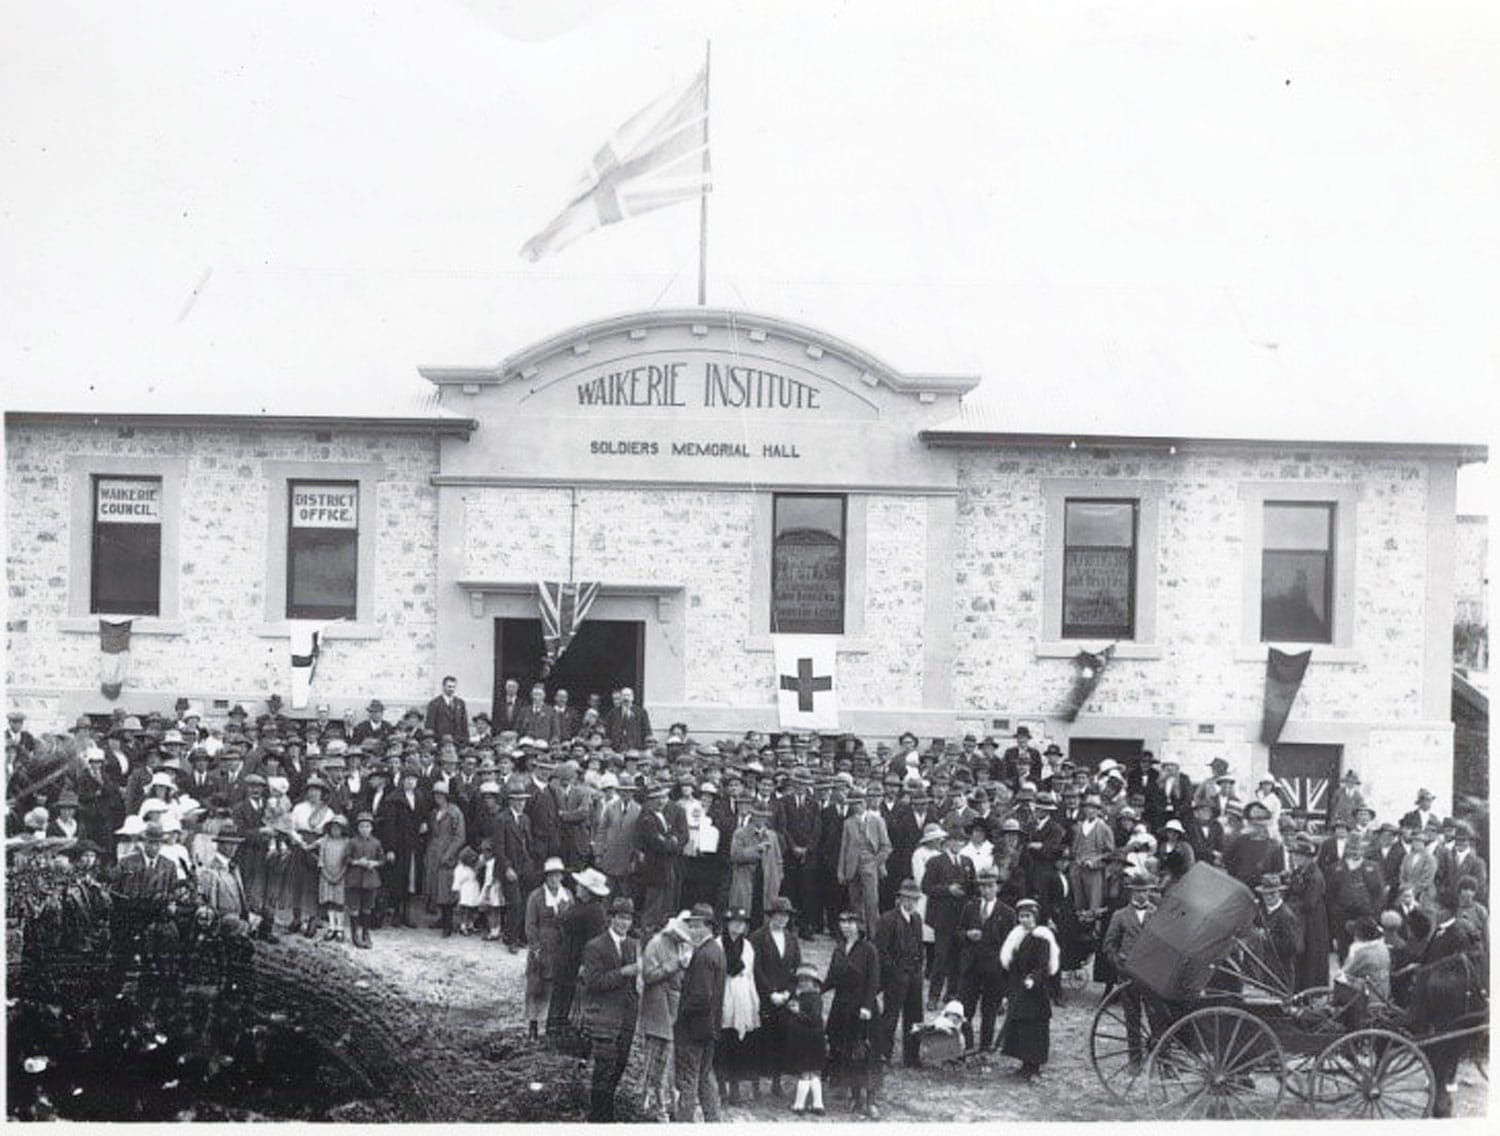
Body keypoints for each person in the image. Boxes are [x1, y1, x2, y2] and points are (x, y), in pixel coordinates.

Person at [615, 912, 693, 1123]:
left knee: (665, 1058)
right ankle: (648, 1103)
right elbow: (649, 976)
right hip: (656, 1005)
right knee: (653, 1057)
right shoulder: (656, 944)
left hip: (672, 1005)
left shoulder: (680, 945)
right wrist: (676, 964)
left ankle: (661, 1103)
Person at [580, 896, 640, 1122]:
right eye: (620, 918)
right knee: (604, 1067)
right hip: (604, 1016)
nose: (624, 923)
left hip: (627, 1015)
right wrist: (623, 972)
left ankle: (607, 1110)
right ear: (611, 919)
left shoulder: (633, 945)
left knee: (620, 1064)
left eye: (628, 919)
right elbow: (593, 982)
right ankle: (598, 1116)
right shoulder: (595, 946)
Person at [824, 909, 881, 1118]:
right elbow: (831, 978)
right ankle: (856, 1098)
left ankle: (871, 1100)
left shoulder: (869, 949)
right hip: (842, 1008)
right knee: (848, 1051)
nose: (845, 925)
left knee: (866, 1054)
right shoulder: (839, 949)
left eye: (850, 921)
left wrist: (866, 1006)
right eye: (842, 921)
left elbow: (874, 980)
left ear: (859, 925)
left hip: (863, 1009)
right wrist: (814, 990)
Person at [674, 904, 726, 1122]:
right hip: (709, 1027)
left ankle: (684, 1124)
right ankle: (713, 1120)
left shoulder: (704, 956)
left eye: (696, 927)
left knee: (688, 1080)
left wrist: (679, 1014)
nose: (691, 931)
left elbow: (700, 997)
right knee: (705, 1077)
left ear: (708, 928)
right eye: (691, 926)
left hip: (693, 1028)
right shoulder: (716, 951)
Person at [999, 897, 1060, 1081]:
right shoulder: (1016, 937)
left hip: (1035, 991)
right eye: (1021, 916)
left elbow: (1043, 965)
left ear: (1035, 917)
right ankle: (1025, 1064)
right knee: (1021, 1026)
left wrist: (1033, 978)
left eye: (1028, 916)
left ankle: (1034, 1066)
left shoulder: (1042, 938)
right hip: (1019, 987)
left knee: (1035, 1027)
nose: (1024, 920)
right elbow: (1011, 963)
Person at [1102, 869, 1157, 1070]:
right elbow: (1109, 944)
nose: (1141, 895)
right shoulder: (1120, 915)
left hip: (1152, 974)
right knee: (1132, 1017)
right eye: (1137, 891)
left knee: (1156, 1015)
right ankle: (1135, 1059)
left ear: (1150, 892)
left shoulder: (1157, 914)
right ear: (1131, 892)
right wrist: (1119, 963)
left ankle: (1163, 1058)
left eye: (1145, 891)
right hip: (1128, 973)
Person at [957, 865, 1014, 1054]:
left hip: (994, 970)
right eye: (982, 886)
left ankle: (984, 1049)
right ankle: (968, 1046)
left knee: (989, 1011)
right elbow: (956, 934)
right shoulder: (969, 908)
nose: (986, 890)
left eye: (990, 886)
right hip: (970, 968)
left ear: (998, 887)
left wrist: (1005, 975)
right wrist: (967, 934)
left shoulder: (1007, 913)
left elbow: (1010, 945)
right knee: (966, 1009)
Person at [551, 866, 610, 1046]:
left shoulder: (591, 911)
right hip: (569, 956)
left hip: (573, 959)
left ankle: (558, 1033)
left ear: (587, 891)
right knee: (563, 995)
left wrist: (585, 965)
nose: (577, 887)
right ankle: (558, 1031)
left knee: (564, 996)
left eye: (580, 885)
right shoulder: (589, 908)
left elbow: (592, 940)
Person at [749, 895, 801, 1097]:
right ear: (771, 916)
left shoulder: (791, 938)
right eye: (779, 915)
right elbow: (756, 968)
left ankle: (777, 1082)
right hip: (764, 997)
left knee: (781, 1038)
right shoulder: (758, 937)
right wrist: (770, 993)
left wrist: (788, 992)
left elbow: (796, 968)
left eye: (786, 915)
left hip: (784, 998)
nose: (782, 919)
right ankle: (756, 1084)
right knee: (760, 1039)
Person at [874, 877, 926, 1068]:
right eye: (907, 898)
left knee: (914, 1017)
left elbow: (920, 947)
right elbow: (880, 950)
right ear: (900, 899)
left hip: (914, 975)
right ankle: (883, 1055)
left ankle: (912, 1057)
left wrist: (919, 967)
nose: (911, 902)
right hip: (896, 976)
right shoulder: (888, 919)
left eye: (914, 899)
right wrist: (894, 971)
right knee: (891, 1016)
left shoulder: (917, 919)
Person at [922, 827, 974, 1011]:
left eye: (962, 841)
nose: (959, 844)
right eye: (955, 840)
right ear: (948, 842)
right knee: (941, 958)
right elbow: (926, 887)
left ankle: (951, 993)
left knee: (958, 958)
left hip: (961, 918)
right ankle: (933, 996)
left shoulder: (967, 861)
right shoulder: (936, 861)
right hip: (942, 917)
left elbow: (972, 888)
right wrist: (947, 890)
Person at [524, 856, 574, 1040]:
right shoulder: (536, 896)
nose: (554, 879)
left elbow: (573, 921)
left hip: (560, 946)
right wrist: (535, 946)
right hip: (543, 945)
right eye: (551, 876)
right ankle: (533, 1024)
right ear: (546, 877)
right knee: (537, 986)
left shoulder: (567, 895)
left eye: (558, 875)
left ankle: (551, 1026)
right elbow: (530, 924)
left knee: (556, 985)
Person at [716, 906, 761, 1103]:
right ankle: (720, 1085)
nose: (738, 926)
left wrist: (753, 999)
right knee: (723, 1038)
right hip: (724, 991)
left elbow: (750, 975)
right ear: (727, 924)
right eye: (734, 922)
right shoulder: (718, 944)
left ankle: (734, 1086)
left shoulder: (748, 947)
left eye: (742, 923)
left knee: (738, 1039)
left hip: (742, 991)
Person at [838, 787, 891, 935]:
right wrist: (841, 871)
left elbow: (886, 847)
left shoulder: (878, 821)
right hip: (852, 865)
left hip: (870, 865)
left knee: (871, 902)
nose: (856, 807)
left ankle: (873, 935)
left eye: (859, 803)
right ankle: (859, 933)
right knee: (855, 902)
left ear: (865, 803)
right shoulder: (848, 823)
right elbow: (844, 847)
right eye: (853, 804)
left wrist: (875, 863)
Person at [1284, 833, 1330, 990]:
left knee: (1311, 954)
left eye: (1299, 856)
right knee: (1300, 956)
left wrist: (1288, 907)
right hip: (1301, 919)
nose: (1295, 858)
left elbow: (1309, 903)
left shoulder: (1315, 876)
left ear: (1308, 857)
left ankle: (1310, 990)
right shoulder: (1299, 872)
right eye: (1294, 855)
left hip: (1312, 921)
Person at [424, 781, 467, 937]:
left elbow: (460, 836)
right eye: (436, 795)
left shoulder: (455, 812)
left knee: (447, 888)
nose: (438, 798)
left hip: (448, 853)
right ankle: (442, 918)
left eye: (441, 795)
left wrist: (449, 854)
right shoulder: (434, 813)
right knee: (436, 887)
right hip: (434, 853)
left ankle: (448, 923)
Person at [787, 962, 828, 1115]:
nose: (803, 983)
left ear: (814, 983)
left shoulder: (814, 999)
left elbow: (814, 1019)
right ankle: (818, 1104)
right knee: (813, 1072)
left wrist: (798, 1012)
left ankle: (799, 1105)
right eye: (801, 980)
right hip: (812, 1041)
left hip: (809, 1042)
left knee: (806, 1073)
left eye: (807, 980)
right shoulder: (804, 997)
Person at [1255, 873, 1302, 993]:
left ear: (1280, 894)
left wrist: (1266, 938)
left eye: (1272, 894)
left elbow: (1293, 946)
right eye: (1265, 894)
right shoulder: (1264, 911)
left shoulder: (1286, 916)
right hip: (1268, 968)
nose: (1268, 897)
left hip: (1282, 971)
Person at [345, 811, 383, 948]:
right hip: (355, 878)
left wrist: (375, 864)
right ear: (357, 828)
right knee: (354, 907)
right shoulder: (352, 842)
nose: (365, 829)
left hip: (370, 879)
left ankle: (366, 933)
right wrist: (357, 862)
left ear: (371, 828)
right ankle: (355, 934)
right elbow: (346, 859)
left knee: (367, 908)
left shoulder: (376, 843)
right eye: (362, 826)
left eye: (367, 826)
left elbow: (382, 860)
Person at [1338, 915, 1391, 1001]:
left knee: (1341, 980)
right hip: (1384, 990)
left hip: (1369, 996)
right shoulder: (1383, 947)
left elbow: (1346, 972)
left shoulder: (1363, 953)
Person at [317, 813, 351, 943]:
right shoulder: (325, 840)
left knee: (339, 902)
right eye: (333, 827)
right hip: (326, 875)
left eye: (338, 828)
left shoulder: (346, 842)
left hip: (340, 876)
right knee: (330, 901)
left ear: (343, 829)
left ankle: (340, 928)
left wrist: (339, 875)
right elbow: (321, 860)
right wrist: (325, 873)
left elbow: (347, 862)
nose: (335, 830)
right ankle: (331, 927)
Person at [424, 675, 469, 747]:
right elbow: (430, 724)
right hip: (441, 742)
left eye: (453, 687)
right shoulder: (435, 703)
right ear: (443, 686)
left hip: (458, 742)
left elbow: (464, 724)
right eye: (449, 687)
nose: (451, 689)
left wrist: (465, 740)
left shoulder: (460, 703)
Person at [605, 687, 653, 752]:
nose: (626, 698)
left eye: (628, 695)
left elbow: (647, 731)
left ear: (633, 697)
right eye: (624, 695)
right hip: (616, 749)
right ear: (621, 698)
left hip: (636, 749)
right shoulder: (613, 713)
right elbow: (608, 732)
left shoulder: (641, 712)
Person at [453, 846, 481, 935]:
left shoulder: (473, 868)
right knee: (464, 910)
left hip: (473, 890)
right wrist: (456, 891)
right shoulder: (460, 869)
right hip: (465, 891)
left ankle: (470, 925)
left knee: (472, 909)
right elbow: (457, 881)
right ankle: (463, 926)